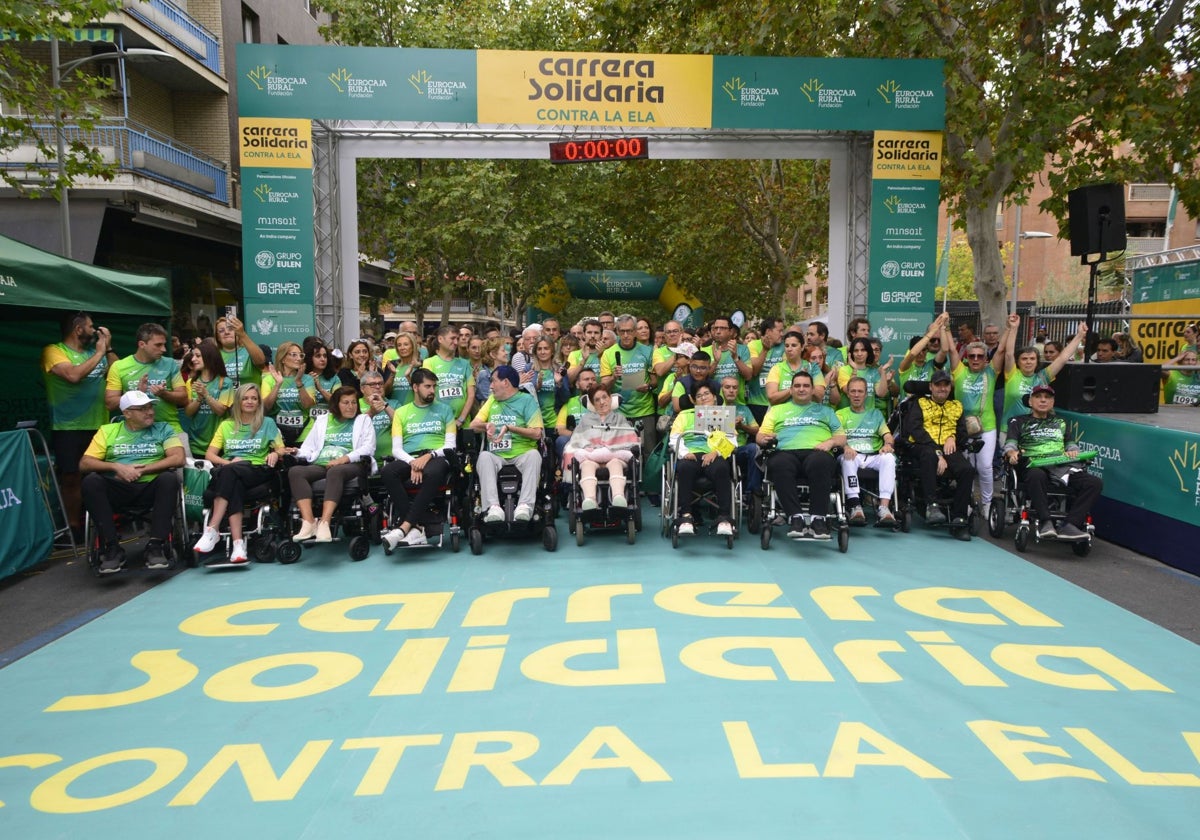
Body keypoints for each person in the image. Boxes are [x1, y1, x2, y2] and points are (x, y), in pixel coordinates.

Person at [79, 391, 186, 573]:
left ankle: (156, 546)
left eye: (150, 407)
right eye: (142, 409)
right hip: (119, 488)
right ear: (127, 413)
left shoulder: (164, 429)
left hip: (151, 486)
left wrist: (143, 469)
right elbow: (85, 463)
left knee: (169, 478)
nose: (150, 412)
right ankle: (112, 547)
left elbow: (178, 458)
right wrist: (116, 467)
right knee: (90, 481)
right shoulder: (108, 431)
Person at [42, 310, 118, 536]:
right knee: (72, 477)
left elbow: (117, 372)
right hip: (68, 427)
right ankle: (73, 527)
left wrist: (109, 348)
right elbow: (73, 375)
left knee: (101, 476)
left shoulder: (96, 352)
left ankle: (105, 522)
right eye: (91, 326)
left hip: (100, 425)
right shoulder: (54, 351)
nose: (94, 330)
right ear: (78, 329)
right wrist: (100, 352)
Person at [192, 384, 285, 564]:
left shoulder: (267, 423)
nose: (249, 402)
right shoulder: (226, 425)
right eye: (245, 398)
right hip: (232, 472)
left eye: (254, 398)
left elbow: (281, 449)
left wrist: (275, 453)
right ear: (238, 401)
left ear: (259, 402)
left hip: (256, 470)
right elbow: (210, 455)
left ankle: (212, 529)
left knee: (230, 474)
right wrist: (228, 464)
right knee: (234, 482)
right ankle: (238, 545)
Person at [1003, 384, 1103, 540]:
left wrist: (1072, 450)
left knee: (1094, 483)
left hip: (1060, 465)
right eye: (1038, 397)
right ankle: (1046, 522)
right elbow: (1010, 444)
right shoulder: (1018, 421)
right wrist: (1011, 453)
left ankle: (1071, 525)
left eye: (1047, 397)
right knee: (1037, 475)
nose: (1043, 400)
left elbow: (1070, 443)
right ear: (1030, 402)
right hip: (1033, 463)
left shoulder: (1061, 422)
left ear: (1052, 402)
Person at [756, 370, 845, 539]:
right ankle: (795, 517)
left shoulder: (826, 411)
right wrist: (765, 439)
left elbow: (841, 437)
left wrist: (831, 442)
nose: (801, 389)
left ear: (813, 390)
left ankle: (818, 519)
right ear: (790, 390)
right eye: (797, 386)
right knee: (778, 463)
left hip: (817, 452)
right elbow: (760, 436)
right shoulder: (776, 410)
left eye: (806, 386)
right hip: (785, 452)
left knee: (821, 462)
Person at [380, 368, 457, 549]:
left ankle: (406, 526)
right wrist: (414, 462)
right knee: (388, 471)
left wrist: (428, 456)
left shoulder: (445, 410)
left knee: (432, 471)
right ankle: (416, 526)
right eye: (427, 386)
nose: (432, 390)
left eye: (434, 386)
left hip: (438, 455)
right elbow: (397, 449)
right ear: (415, 387)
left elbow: (450, 445)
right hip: (410, 457)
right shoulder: (401, 413)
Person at [290, 385, 376, 543]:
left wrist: (343, 459)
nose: (351, 406)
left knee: (335, 471)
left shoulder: (363, 420)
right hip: (323, 462)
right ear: (336, 404)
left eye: (353, 402)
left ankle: (325, 522)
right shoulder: (323, 420)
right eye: (346, 403)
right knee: (295, 472)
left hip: (352, 464)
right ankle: (309, 522)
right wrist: (296, 452)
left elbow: (368, 448)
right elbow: (308, 447)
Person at [948, 314, 1012, 516]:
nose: (975, 359)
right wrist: (945, 327)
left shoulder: (991, 373)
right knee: (965, 469)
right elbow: (950, 349)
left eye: (980, 356)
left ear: (986, 359)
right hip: (961, 429)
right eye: (972, 356)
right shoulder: (959, 371)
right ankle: (965, 503)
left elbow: (1001, 350)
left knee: (984, 467)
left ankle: (986, 505)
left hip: (987, 427)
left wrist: (1010, 328)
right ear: (967, 358)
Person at [905, 369, 976, 539]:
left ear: (950, 388)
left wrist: (953, 437)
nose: (942, 389)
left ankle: (960, 517)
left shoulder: (956, 406)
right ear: (931, 387)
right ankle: (932, 505)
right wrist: (938, 453)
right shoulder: (920, 403)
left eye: (946, 385)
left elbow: (962, 434)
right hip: (923, 445)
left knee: (967, 470)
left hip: (949, 447)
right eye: (938, 385)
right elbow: (914, 429)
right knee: (929, 456)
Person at [469, 365, 544, 523]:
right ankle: (493, 507)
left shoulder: (527, 401)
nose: (490, 386)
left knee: (534, 456)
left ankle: (525, 505)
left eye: (493, 381)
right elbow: (473, 425)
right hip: (496, 454)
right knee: (483, 457)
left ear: (506, 382)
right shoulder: (491, 401)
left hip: (522, 452)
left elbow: (537, 433)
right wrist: (487, 425)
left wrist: (510, 428)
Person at [669, 381, 736, 536]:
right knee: (684, 468)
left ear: (714, 397)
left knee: (721, 468)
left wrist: (716, 452)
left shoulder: (723, 414)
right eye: (698, 396)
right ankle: (686, 517)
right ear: (693, 400)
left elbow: (732, 441)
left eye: (706, 394)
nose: (703, 398)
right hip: (691, 455)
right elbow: (674, 438)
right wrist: (684, 452)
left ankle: (724, 518)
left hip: (713, 455)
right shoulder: (684, 415)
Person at [563, 382, 640, 510]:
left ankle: (618, 497)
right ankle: (590, 500)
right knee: (587, 465)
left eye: (604, 397)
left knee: (615, 462)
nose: (602, 402)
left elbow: (630, 440)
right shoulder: (585, 420)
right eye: (597, 400)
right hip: (591, 458)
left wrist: (610, 449)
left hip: (616, 457)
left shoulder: (620, 418)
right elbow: (576, 441)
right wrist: (593, 450)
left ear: (610, 398)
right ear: (593, 404)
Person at [836, 376, 897, 526]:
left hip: (873, 455)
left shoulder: (875, 414)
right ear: (848, 394)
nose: (856, 395)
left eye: (860, 391)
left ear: (865, 394)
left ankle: (884, 507)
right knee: (847, 458)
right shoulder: (840, 414)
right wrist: (845, 447)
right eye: (853, 391)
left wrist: (888, 445)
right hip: (852, 454)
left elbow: (888, 436)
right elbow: (836, 437)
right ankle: (855, 505)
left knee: (889, 458)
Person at [105, 323, 188, 433]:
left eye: (164, 344)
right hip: (135, 431)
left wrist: (164, 393)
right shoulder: (119, 366)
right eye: (158, 345)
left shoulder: (170, 364)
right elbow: (110, 403)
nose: (163, 349)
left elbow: (184, 398)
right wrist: (136, 394)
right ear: (142, 344)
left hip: (169, 428)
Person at [1002, 319, 1086, 426]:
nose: (1028, 362)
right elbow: (1009, 353)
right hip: (1010, 429)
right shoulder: (1012, 374)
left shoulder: (1043, 377)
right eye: (1024, 359)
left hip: (1035, 430)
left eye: (1032, 359)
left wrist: (1079, 335)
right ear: (1017, 362)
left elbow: (1063, 358)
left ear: (1037, 362)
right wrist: (1013, 328)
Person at [601, 314, 657, 455]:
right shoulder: (608, 354)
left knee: (648, 454)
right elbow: (604, 386)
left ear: (635, 332)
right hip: (619, 413)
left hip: (645, 411)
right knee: (620, 455)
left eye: (630, 331)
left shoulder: (647, 351)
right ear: (617, 331)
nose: (626, 335)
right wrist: (614, 377)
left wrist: (648, 387)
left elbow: (655, 381)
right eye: (622, 331)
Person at [183, 338, 235, 458]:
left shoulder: (225, 382)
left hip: (219, 442)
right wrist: (199, 398)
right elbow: (188, 412)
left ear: (209, 357)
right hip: (196, 441)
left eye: (197, 356)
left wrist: (206, 394)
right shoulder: (191, 382)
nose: (193, 359)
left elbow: (221, 410)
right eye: (193, 356)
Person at [262, 341, 316, 448]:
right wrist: (278, 384)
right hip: (276, 431)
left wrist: (299, 382)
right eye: (293, 355)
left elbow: (308, 405)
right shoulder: (269, 379)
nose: (298, 358)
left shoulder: (307, 379)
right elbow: (265, 407)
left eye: (300, 355)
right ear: (282, 359)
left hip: (304, 430)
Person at [423, 324, 476, 430]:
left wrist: (461, 419)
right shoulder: (429, 362)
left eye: (457, 338)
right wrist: (442, 419)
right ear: (440, 339)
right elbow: (427, 391)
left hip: (462, 424)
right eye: (452, 338)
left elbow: (471, 394)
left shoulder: (465, 364)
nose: (456, 342)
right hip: (439, 422)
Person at [721, 376, 762, 498]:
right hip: (719, 450)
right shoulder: (714, 408)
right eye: (727, 387)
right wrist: (729, 425)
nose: (731, 390)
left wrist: (742, 426)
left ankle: (752, 494)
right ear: (721, 389)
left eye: (734, 387)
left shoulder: (744, 409)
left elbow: (757, 430)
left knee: (754, 449)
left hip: (739, 449)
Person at [765, 331, 827, 405]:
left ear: (802, 347)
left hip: (806, 414)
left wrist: (807, 379)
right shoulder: (777, 368)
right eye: (787, 346)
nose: (789, 349)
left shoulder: (812, 367)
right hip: (783, 415)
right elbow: (772, 398)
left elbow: (819, 396)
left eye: (794, 345)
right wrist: (795, 387)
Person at [835, 337, 894, 410]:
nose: (859, 354)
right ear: (851, 354)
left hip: (868, 417)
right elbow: (848, 390)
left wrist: (883, 373)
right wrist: (855, 369)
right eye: (856, 351)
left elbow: (881, 393)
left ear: (868, 352)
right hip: (847, 417)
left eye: (863, 350)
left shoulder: (873, 371)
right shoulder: (844, 370)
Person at [746, 317, 785, 423]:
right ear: (768, 331)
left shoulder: (785, 346)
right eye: (779, 331)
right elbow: (755, 371)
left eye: (783, 331)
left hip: (779, 403)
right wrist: (765, 350)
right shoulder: (753, 345)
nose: (782, 334)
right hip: (757, 403)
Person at [899, 312, 950, 387]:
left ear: (927, 350)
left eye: (924, 350)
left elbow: (944, 350)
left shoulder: (931, 365)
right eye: (919, 351)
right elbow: (913, 354)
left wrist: (942, 327)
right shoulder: (905, 367)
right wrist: (933, 330)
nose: (921, 353)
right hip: (908, 399)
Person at [214, 314, 266, 387]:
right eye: (221, 331)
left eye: (231, 329)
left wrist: (242, 334)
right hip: (225, 397)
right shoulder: (214, 354)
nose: (226, 332)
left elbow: (261, 362)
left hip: (249, 396)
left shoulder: (248, 350)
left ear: (237, 332)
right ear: (218, 337)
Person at [387, 332, 422, 407]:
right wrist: (392, 375)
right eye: (399, 345)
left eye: (406, 344)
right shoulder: (392, 365)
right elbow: (385, 393)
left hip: (414, 410)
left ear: (413, 347)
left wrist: (409, 378)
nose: (402, 348)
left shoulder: (421, 366)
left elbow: (423, 393)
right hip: (395, 411)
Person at [567, 318, 603, 385]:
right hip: (581, 394)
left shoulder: (608, 353)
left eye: (596, 333)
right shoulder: (574, 354)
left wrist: (602, 356)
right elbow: (569, 380)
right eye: (589, 332)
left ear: (601, 336)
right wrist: (583, 360)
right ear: (583, 334)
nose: (592, 336)